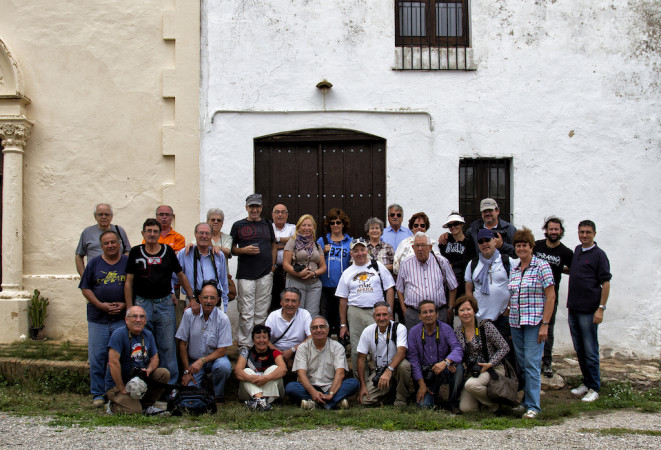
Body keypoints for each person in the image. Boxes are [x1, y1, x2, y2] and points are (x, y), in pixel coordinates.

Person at [124, 218, 196, 384]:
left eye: (155, 231)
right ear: (143, 233)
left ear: (159, 234)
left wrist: (191, 298)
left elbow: (181, 275)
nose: (152, 234)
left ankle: (169, 386)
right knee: (142, 344)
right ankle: (144, 382)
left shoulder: (168, 251)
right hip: (142, 304)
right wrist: (130, 309)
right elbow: (128, 282)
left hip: (164, 304)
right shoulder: (135, 252)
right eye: (148, 231)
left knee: (167, 345)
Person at [508, 227, 555, 419]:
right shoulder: (515, 269)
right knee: (523, 363)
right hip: (516, 323)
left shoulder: (542, 266)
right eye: (518, 245)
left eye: (524, 245)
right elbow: (512, 295)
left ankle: (534, 406)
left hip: (535, 323)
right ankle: (526, 401)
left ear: (531, 246)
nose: (521, 248)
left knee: (532, 364)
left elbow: (550, 297)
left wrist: (545, 324)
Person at [79, 230, 128, 407]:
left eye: (113, 242)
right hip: (98, 318)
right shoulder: (94, 264)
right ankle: (98, 394)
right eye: (106, 243)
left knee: (120, 358)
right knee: (97, 357)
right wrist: (100, 305)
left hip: (121, 319)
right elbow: (85, 288)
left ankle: (114, 390)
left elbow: (133, 285)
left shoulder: (127, 262)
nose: (110, 245)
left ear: (119, 244)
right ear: (101, 246)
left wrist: (124, 304)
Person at [566, 220, 611, 403]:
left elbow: (606, 283)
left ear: (594, 234)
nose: (584, 235)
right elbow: (574, 271)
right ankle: (586, 382)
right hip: (573, 308)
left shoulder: (599, 255)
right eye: (581, 232)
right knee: (579, 349)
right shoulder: (577, 250)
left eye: (588, 232)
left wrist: (601, 309)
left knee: (591, 350)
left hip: (588, 311)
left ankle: (594, 387)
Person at [337, 238, 395, 373]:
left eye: (362, 250)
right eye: (356, 251)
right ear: (351, 253)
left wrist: (389, 313)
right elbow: (343, 299)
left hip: (376, 312)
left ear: (367, 251)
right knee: (358, 349)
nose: (360, 253)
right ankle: (360, 382)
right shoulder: (347, 272)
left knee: (379, 347)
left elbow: (390, 289)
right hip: (355, 311)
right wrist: (343, 324)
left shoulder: (378, 266)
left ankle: (379, 379)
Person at [230, 194, 277, 348]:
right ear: (246, 208)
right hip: (246, 274)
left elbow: (273, 245)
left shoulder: (267, 224)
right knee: (246, 310)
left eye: (257, 206)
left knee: (261, 311)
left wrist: (273, 265)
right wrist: (244, 250)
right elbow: (231, 249)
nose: (254, 209)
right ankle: (245, 345)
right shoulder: (238, 225)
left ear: (261, 208)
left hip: (265, 273)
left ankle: (259, 343)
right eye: (251, 207)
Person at [105, 306, 170, 415]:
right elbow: (113, 363)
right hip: (118, 385)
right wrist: (122, 388)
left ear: (145, 320)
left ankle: (146, 406)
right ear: (126, 320)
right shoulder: (118, 334)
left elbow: (155, 358)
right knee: (134, 411)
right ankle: (112, 406)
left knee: (163, 373)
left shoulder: (148, 334)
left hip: (139, 383)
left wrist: (148, 370)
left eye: (141, 317)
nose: (138, 320)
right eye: (134, 316)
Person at [285, 317, 360, 410]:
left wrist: (331, 393)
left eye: (322, 327)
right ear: (311, 331)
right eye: (315, 328)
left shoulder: (337, 347)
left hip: (331, 387)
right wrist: (313, 392)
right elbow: (301, 375)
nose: (318, 330)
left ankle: (314, 403)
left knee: (353, 383)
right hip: (309, 387)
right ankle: (333, 403)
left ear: (328, 330)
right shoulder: (303, 348)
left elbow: (340, 374)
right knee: (291, 387)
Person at [175, 282, 232, 404]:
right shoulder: (189, 314)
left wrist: (202, 361)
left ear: (217, 300)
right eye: (205, 297)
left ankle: (218, 396)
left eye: (212, 298)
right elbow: (182, 344)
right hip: (193, 362)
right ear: (199, 298)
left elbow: (222, 350)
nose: (208, 301)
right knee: (190, 389)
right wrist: (186, 371)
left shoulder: (223, 319)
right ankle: (205, 388)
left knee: (224, 367)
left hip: (214, 359)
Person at [454, 296, 510, 413]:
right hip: (473, 372)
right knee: (466, 408)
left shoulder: (486, 326)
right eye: (462, 310)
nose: (466, 313)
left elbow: (504, 347)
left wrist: (490, 363)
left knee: (471, 385)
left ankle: (495, 405)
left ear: (474, 310)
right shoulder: (458, 332)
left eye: (468, 309)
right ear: (457, 313)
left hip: (493, 369)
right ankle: (485, 402)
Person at [533, 216, 574, 377]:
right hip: (534, 294)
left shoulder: (566, 252)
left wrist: (558, 269)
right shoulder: (537, 246)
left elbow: (572, 269)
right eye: (551, 229)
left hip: (551, 296)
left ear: (561, 231)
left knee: (548, 328)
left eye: (557, 229)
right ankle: (534, 360)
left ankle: (547, 362)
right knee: (533, 328)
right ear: (546, 230)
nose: (554, 232)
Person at [408, 300, 464, 411]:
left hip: (443, 369)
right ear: (419, 316)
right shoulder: (414, 332)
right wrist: (422, 384)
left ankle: (452, 403)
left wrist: (446, 362)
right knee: (424, 406)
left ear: (437, 314)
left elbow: (457, 348)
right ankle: (429, 395)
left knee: (458, 368)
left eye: (431, 311)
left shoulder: (446, 329)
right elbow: (413, 360)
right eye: (424, 312)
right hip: (426, 375)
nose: (428, 315)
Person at [396, 232, 458, 329]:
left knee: (440, 342)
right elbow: (399, 289)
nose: (420, 249)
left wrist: (450, 308)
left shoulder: (441, 262)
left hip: (439, 314)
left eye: (423, 245)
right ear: (413, 248)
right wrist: (404, 309)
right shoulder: (405, 264)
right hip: (414, 315)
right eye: (417, 246)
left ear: (430, 247)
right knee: (415, 343)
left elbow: (453, 286)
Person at [357, 302, 413, 406]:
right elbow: (361, 358)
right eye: (378, 315)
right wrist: (363, 386)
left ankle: (401, 399)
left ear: (390, 315)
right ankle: (392, 395)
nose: (381, 318)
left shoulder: (399, 328)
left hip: (395, 368)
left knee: (404, 366)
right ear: (373, 316)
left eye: (385, 314)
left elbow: (402, 352)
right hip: (379, 370)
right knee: (365, 400)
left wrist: (389, 370)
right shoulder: (368, 331)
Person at [465, 228, 512, 348]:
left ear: (494, 241)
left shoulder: (507, 261)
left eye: (487, 240)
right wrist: (473, 311)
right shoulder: (473, 264)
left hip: (503, 317)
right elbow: (469, 290)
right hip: (481, 318)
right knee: (484, 350)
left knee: (503, 351)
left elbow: (515, 288)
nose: (484, 244)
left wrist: (509, 309)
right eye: (481, 242)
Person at [176, 223, 229, 312]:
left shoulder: (219, 255)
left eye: (207, 233)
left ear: (211, 236)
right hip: (193, 303)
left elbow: (223, 282)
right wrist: (172, 295)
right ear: (195, 234)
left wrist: (224, 307)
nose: (204, 236)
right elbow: (173, 277)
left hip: (215, 304)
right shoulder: (185, 254)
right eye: (201, 233)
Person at [439, 198, 517, 258]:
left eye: (490, 210)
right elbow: (462, 240)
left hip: (502, 273)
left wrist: (502, 246)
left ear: (497, 211)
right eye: (484, 211)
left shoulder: (509, 229)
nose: (487, 214)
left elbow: (517, 253)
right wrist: (448, 235)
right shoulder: (473, 229)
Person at [235, 324, 287, 411]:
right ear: (253, 340)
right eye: (258, 337)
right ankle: (262, 400)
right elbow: (238, 371)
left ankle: (260, 402)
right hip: (250, 392)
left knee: (274, 368)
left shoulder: (275, 353)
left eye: (264, 337)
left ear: (268, 340)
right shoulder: (246, 352)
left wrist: (266, 378)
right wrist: (250, 378)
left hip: (272, 391)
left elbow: (283, 369)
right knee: (246, 371)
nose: (261, 340)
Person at [317, 208, 352, 337]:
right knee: (325, 316)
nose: (335, 225)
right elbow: (314, 261)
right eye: (332, 223)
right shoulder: (322, 241)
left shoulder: (350, 242)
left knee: (341, 318)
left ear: (343, 224)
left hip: (342, 287)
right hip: (325, 286)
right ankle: (324, 344)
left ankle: (343, 343)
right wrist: (322, 252)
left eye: (338, 222)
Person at [282, 214, 326, 317]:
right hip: (295, 282)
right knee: (296, 313)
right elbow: (285, 264)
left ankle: (309, 333)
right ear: (299, 227)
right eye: (304, 225)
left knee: (312, 315)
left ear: (313, 228)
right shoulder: (292, 242)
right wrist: (299, 274)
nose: (307, 228)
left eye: (309, 225)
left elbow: (323, 267)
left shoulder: (316, 245)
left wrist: (314, 273)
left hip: (314, 284)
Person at [75, 203, 130, 276]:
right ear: (95, 217)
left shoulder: (119, 231)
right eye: (100, 214)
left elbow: (128, 251)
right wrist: (84, 277)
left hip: (117, 276)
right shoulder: (87, 232)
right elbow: (79, 256)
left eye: (107, 214)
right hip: (94, 277)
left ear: (111, 216)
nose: (104, 217)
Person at [265, 287, 312, 370]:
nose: (290, 304)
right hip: (276, 351)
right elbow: (265, 339)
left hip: (299, 351)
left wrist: (291, 351)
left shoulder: (305, 314)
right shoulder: (273, 315)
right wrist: (279, 354)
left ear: (299, 303)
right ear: (281, 302)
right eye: (287, 300)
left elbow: (311, 337)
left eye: (294, 301)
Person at [439, 212, 476, 298]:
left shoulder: (469, 242)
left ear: (461, 224)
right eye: (450, 225)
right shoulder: (445, 241)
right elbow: (441, 257)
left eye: (455, 224)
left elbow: (470, 260)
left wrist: (452, 265)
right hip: (446, 280)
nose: (453, 227)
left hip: (462, 280)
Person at [270, 204, 296, 312]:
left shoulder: (292, 227)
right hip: (271, 268)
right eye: (277, 212)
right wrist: (286, 245)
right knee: (272, 299)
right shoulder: (268, 227)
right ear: (272, 215)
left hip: (288, 270)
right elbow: (267, 244)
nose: (280, 215)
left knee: (288, 297)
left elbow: (295, 240)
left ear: (287, 215)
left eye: (282, 212)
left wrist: (276, 240)